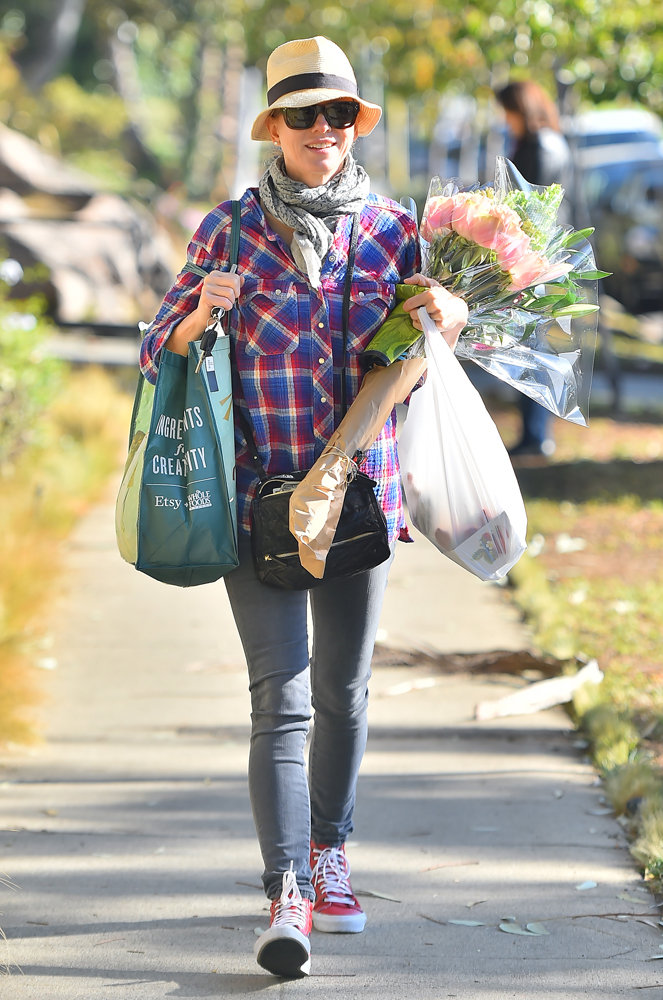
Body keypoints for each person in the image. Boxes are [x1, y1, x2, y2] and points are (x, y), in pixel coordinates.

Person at [140, 36, 468, 979]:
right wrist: (203, 310)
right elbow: (159, 345)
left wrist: (450, 315)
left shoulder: (394, 230)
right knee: (278, 699)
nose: (322, 132)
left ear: (353, 125)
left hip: (359, 496)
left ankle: (332, 853)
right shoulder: (230, 229)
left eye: (338, 116)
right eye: (302, 115)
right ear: (273, 127)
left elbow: (420, 360)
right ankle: (285, 890)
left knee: (344, 693)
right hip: (258, 501)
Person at [495, 80, 574, 459]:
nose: (505, 121)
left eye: (507, 113)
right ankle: (535, 433)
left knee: (533, 349)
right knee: (537, 348)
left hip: (535, 261)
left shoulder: (537, 146)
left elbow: (531, 205)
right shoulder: (553, 140)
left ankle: (536, 435)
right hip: (549, 258)